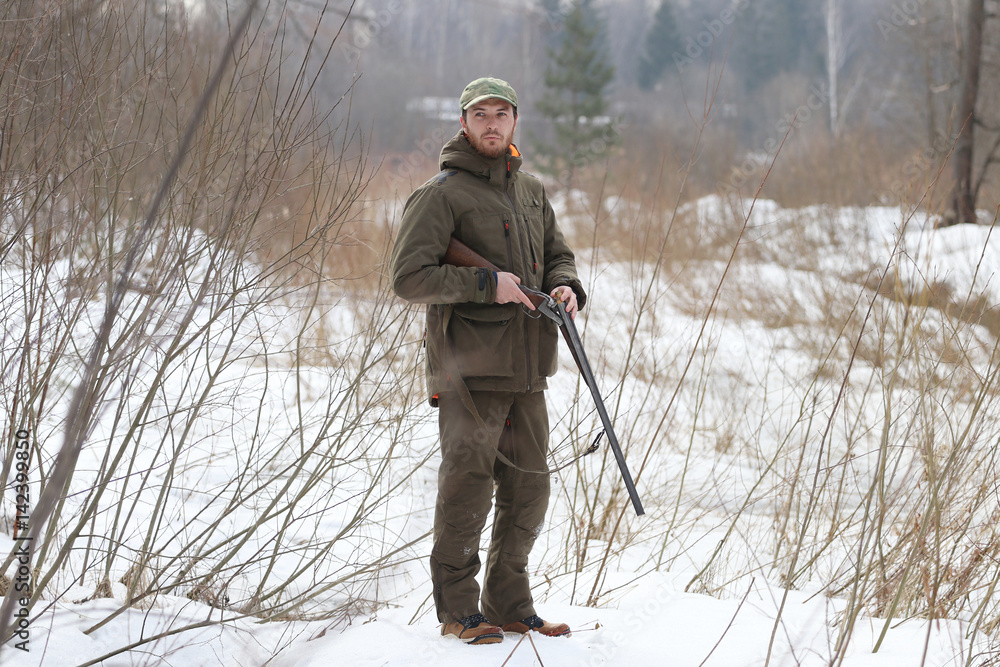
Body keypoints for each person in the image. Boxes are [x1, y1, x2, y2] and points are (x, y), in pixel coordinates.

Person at [390, 77, 586, 645]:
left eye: (503, 113)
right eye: (482, 114)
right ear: (464, 123)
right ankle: (458, 611)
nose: (493, 124)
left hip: (528, 368)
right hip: (469, 372)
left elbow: (558, 255)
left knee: (530, 489)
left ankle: (509, 604)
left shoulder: (530, 192)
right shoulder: (441, 194)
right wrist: (486, 284)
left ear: (515, 122)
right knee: (467, 487)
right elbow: (409, 277)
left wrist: (567, 285)